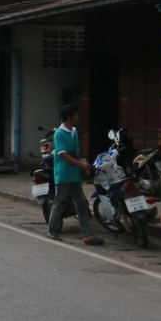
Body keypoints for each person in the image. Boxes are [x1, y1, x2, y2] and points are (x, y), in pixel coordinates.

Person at [46, 103, 102, 245]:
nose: (78, 117)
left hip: (74, 174)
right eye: (76, 114)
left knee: (81, 204)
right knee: (59, 203)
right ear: (70, 117)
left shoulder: (74, 131)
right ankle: (52, 230)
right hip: (64, 174)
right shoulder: (59, 133)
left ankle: (88, 235)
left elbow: (75, 153)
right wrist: (80, 164)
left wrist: (83, 166)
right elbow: (63, 154)